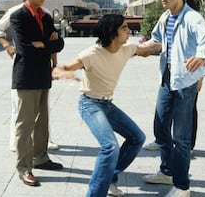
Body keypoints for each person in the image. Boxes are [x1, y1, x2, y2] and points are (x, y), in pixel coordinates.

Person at [53, 14, 161, 197]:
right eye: (124, 28)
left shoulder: (127, 49)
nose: (129, 31)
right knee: (110, 147)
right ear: (112, 33)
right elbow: (60, 68)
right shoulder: (90, 54)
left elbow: (148, 49)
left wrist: (172, 43)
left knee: (137, 138)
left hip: (107, 105)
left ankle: (109, 176)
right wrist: (62, 73)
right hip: (90, 104)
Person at [141, 0, 205, 197]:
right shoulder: (165, 17)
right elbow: (157, 42)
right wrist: (139, 50)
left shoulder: (192, 18)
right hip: (167, 79)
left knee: (181, 138)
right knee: (161, 127)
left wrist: (201, 57)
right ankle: (167, 171)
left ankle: (183, 186)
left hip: (185, 83)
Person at [8, 0, 64, 187]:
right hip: (26, 77)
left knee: (42, 122)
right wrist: (44, 44)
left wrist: (42, 44)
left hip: (43, 74)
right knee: (25, 124)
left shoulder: (46, 16)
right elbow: (24, 50)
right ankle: (24, 168)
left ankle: (40, 158)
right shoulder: (18, 16)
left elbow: (59, 44)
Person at [0, 3, 60, 152]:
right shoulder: (16, 12)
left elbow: (53, 42)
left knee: (42, 109)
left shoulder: (46, 13)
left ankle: (43, 142)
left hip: (42, 65)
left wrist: (54, 64)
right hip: (23, 64)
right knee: (19, 107)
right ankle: (15, 142)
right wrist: (7, 46)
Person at [143, 77, 204, 153]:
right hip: (168, 74)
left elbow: (204, 65)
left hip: (188, 78)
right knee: (163, 113)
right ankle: (160, 140)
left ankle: (188, 146)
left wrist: (200, 79)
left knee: (188, 111)